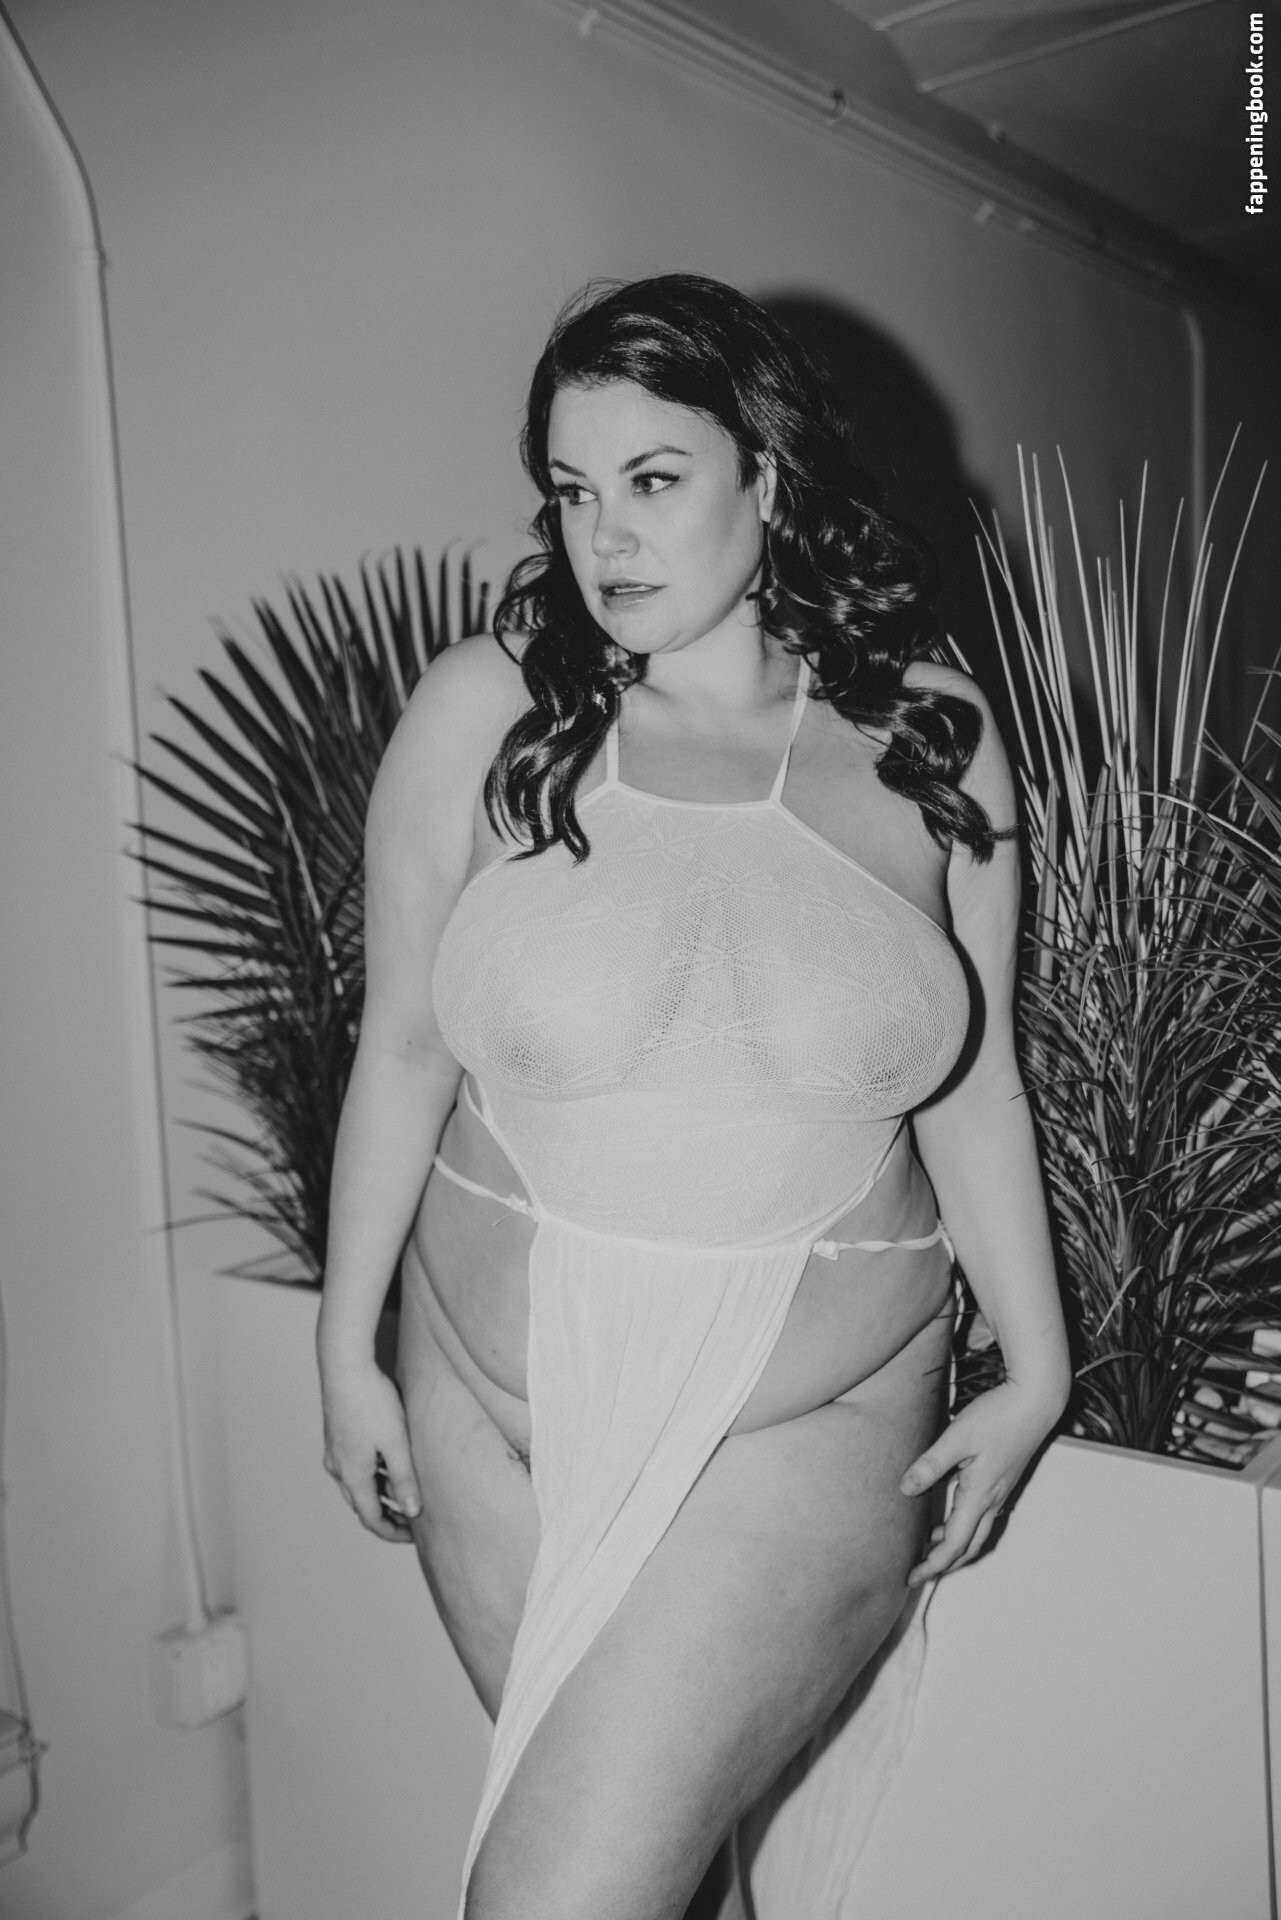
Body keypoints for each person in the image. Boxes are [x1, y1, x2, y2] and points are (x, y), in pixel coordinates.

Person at [315, 273, 1072, 1920]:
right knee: (662, 1882)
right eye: (572, 491)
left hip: (805, 1426)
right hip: (492, 1414)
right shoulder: (484, 709)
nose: (605, 537)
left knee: (562, 1893)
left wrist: (1036, 1367)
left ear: (767, 476)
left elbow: (977, 1088)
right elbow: (402, 1048)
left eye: (653, 479)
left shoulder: (926, 731)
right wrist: (345, 1345)